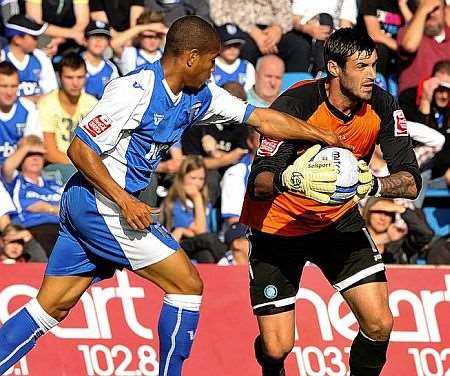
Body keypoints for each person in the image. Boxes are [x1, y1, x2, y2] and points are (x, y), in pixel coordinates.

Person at [0, 15, 346, 376]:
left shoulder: (201, 96)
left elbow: (261, 118)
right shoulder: (133, 90)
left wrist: (321, 134)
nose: (213, 71)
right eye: (211, 62)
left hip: (93, 204)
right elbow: (80, 150)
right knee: (187, 285)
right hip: (101, 203)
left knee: (51, 306)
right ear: (191, 57)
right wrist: (124, 200)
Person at [239, 28, 421, 375]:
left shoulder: (382, 104)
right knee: (277, 347)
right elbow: (258, 184)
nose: (372, 75)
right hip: (278, 227)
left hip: (337, 222)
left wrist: (376, 184)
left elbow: (411, 180)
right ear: (335, 68)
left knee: (380, 323)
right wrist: (291, 179)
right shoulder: (295, 105)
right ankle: (268, 361)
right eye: (362, 66)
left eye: (374, 65)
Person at [39, 52, 97, 183]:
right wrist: (83, 166)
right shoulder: (47, 104)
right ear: (59, 77)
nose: (75, 83)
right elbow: (50, 152)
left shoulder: (92, 103)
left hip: (87, 165)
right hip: (57, 166)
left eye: (80, 77)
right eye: (69, 77)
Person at [2, 135, 63, 256]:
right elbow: (7, 166)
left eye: (39, 155)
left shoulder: (54, 184)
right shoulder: (15, 181)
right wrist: (27, 147)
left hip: (61, 230)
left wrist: (46, 208)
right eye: (30, 154)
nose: (35, 158)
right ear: (21, 158)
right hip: (32, 229)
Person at [210, 0, 304, 72]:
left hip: (272, 29)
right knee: (246, 48)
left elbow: (285, 10)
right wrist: (252, 31)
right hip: (239, 28)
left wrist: (278, 28)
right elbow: (218, 14)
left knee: (299, 47)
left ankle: (294, 93)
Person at [397, 0, 450, 111]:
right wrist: (423, 9)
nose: (430, 13)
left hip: (445, 106)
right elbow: (409, 46)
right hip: (413, 105)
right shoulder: (408, 33)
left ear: (445, 9)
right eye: (424, 7)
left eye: (435, 8)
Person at [1, 14, 58, 102]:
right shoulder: (2, 58)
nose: (37, 41)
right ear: (17, 39)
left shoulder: (41, 57)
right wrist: (25, 101)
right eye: (34, 37)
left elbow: (52, 93)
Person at [290, 0, 358, 73]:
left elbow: (345, 25)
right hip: (305, 31)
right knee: (324, 18)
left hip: (332, 33)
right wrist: (308, 29)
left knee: (326, 19)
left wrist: (334, 36)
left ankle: (322, 68)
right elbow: (295, 19)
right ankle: (321, 69)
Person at [362, 197, 434, 264]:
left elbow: (426, 234)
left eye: (388, 213)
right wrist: (386, 237)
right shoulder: (354, 238)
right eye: (379, 212)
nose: (382, 218)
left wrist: (401, 209)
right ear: (368, 212)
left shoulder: (400, 243)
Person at [0, 61, 42, 165]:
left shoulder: (28, 108)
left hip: (18, 169)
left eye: (14, 86)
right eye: (4, 86)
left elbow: (33, 145)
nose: (9, 92)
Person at [111, 10, 168, 75]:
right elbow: (114, 44)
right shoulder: (130, 53)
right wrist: (147, 27)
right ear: (139, 35)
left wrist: (164, 29)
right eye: (148, 36)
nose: (153, 40)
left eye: (157, 36)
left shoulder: (166, 54)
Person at [82, 21, 119, 100]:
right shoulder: (75, 63)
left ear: (108, 43)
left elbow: (115, 97)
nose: (98, 41)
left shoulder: (111, 69)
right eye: (94, 36)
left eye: (103, 38)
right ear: (85, 40)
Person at [212, 23, 255, 91]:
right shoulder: (210, 67)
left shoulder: (248, 67)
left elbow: (249, 95)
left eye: (236, 44)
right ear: (218, 46)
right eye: (227, 45)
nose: (232, 49)